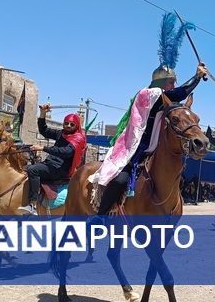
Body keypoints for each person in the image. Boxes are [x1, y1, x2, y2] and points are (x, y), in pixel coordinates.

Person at [89, 12, 207, 214]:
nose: (174, 85)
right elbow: (178, 92)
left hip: (157, 147)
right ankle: (100, 216)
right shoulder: (148, 95)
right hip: (137, 148)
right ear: (162, 83)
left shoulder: (164, 99)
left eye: (174, 82)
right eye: (171, 82)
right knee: (121, 178)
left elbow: (178, 104)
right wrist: (196, 78)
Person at [16, 109, 86, 215]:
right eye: (66, 123)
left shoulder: (78, 138)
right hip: (50, 164)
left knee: (33, 170)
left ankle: (32, 205)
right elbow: (44, 130)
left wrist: (42, 148)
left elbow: (66, 152)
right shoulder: (61, 133)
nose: (68, 126)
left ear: (76, 126)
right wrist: (43, 114)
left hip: (61, 169)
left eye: (72, 124)